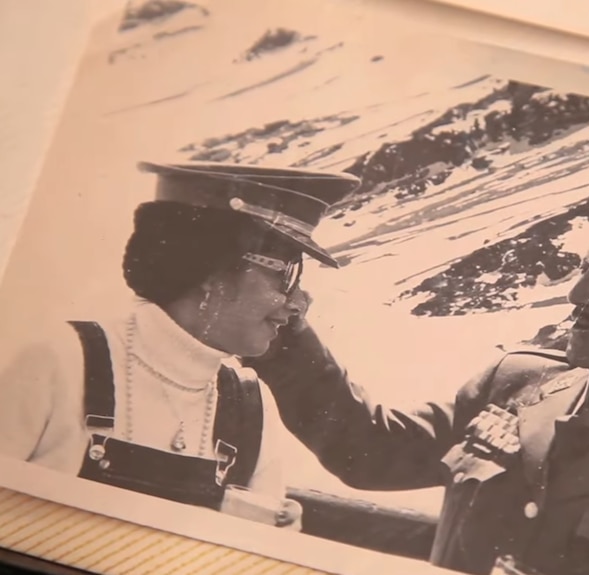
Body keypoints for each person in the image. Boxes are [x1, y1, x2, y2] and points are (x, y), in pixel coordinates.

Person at [245, 203, 589, 574]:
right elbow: (369, 451)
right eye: (587, 269)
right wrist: (277, 329)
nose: (577, 293)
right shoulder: (517, 382)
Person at [0, 161, 358, 527]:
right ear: (213, 270)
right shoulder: (58, 362)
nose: (299, 303)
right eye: (287, 275)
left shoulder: (252, 407)